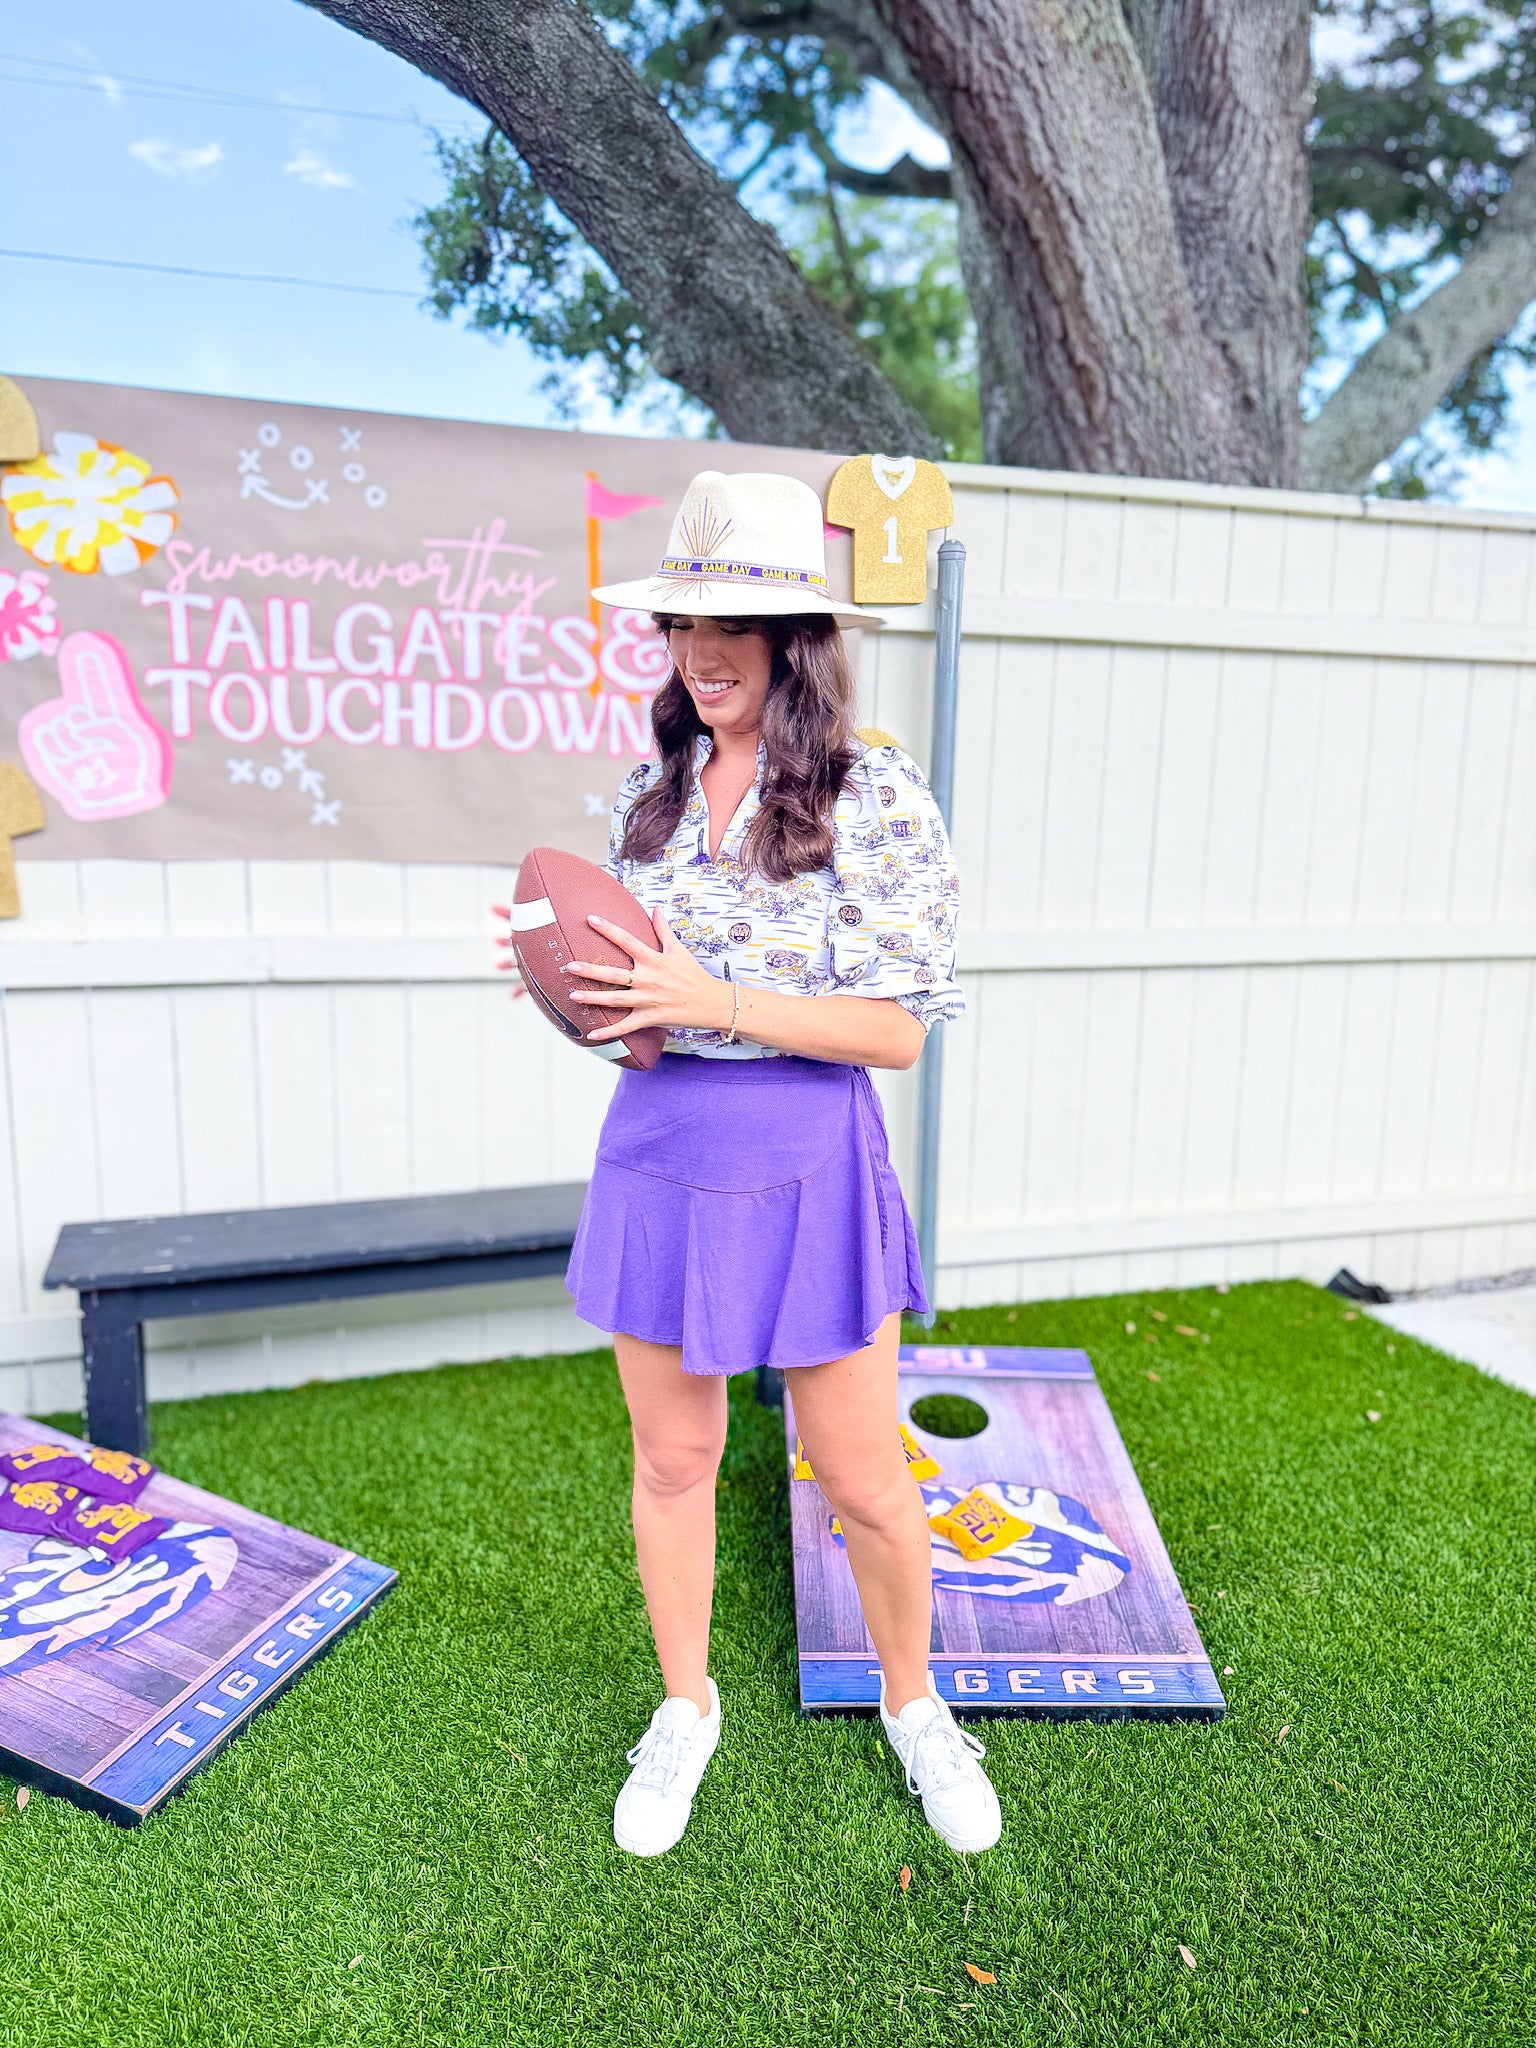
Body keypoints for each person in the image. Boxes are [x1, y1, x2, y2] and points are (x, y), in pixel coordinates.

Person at [562, 469, 1000, 1860]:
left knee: (862, 1475)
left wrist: (719, 1002)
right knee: (672, 1458)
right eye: (681, 622)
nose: (700, 651)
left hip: (809, 1150)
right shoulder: (646, 796)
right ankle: (685, 1706)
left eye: (730, 625)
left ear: (796, 638)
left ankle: (916, 1705)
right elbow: (644, 1016)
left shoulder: (876, 795)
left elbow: (896, 1035)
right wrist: (576, 997)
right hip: (659, 1146)